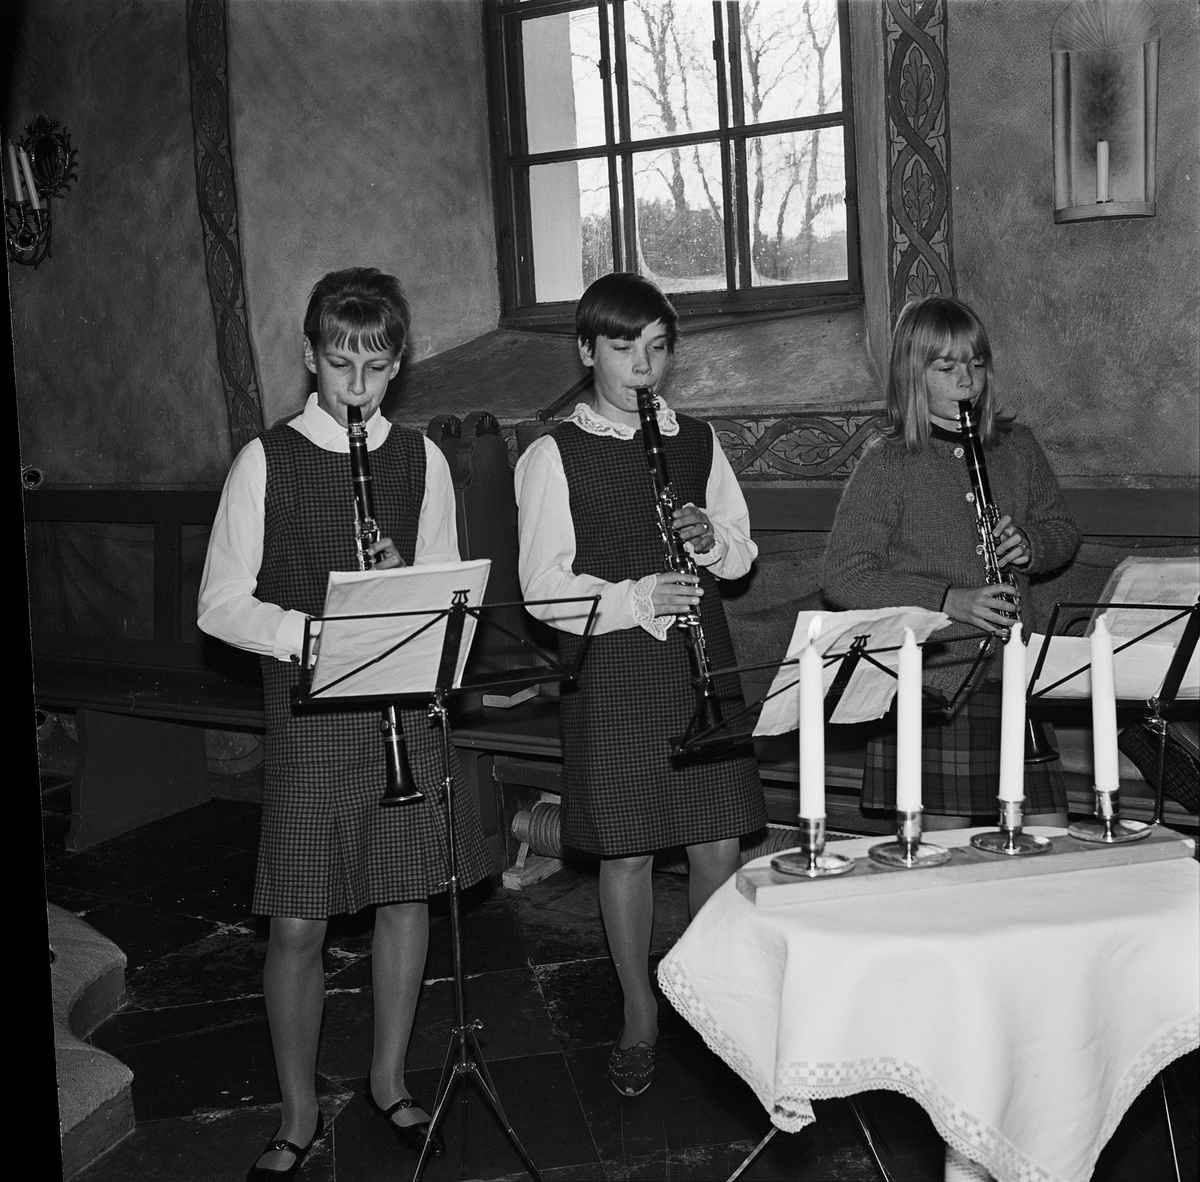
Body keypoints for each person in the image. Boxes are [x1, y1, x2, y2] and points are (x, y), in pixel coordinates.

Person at [198, 267, 491, 1180]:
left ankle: (389, 1080)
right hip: (312, 712)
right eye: (337, 365)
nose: (355, 387)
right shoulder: (267, 460)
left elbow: (451, 595)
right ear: (310, 361)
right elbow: (219, 604)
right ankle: (294, 1112)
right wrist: (312, 633)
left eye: (373, 367)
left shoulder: (420, 459)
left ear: (397, 365)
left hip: (402, 708)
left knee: (405, 896)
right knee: (297, 922)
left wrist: (403, 578)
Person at [514, 271, 767, 1097]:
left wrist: (709, 538)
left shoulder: (693, 441)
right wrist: (635, 598)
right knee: (625, 851)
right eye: (624, 347)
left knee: (716, 843)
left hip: (699, 657)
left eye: (657, 348)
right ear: (589, 349)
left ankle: (708, 1001)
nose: (642, 364)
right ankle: (638, 1013)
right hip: (616, 664)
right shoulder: (554, 451)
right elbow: (543, 587)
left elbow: (741, 550)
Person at [823, 294, 1080, 832]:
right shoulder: (890, 461)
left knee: (1047, 837)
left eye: (976, 362)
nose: (966, 378)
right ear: (912, 375)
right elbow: (845, 575)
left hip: (1013, 670)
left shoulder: (1015, 446)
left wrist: (1031, 545)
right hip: (934, 681)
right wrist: (947, 600)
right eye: (946, 366)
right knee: (945, 855)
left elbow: (1062, 530)